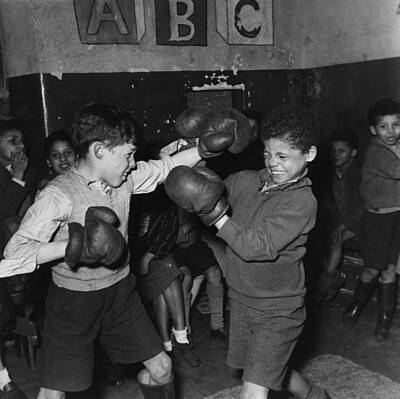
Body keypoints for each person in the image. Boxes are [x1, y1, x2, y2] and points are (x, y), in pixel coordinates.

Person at [0, 102, 249, 399]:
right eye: (128, 154)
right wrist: (71, 247)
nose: (132, 162)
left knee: (162, 369)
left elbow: (164, 167)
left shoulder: (124, 179)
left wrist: (203, 150)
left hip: (120, 293)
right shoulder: (58, 194)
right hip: (73, 303)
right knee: (53, 393)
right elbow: (14, 256)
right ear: (99, 150)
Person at [165, 104, 332, 399]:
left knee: (253, 391)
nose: (273, 163)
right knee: (268, 370)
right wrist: (196, 149)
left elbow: (257, 246)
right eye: (268, 154)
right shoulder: (246, 181)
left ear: (310, 154)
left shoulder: (302, 202)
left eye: (283, 156)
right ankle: (317, 396)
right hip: (242, 301)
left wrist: (216, 216)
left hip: (278, 311)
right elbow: (200, 188)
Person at [342, 98, 400, 341]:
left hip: (397, 218)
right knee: (372, 270)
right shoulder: (376, 152)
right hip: (377, 221)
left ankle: (384, 321)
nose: (391, 131)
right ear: (373, 130)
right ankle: (356, 304)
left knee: (389, 271)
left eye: (396, 125)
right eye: (384, 126)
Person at [0, 118, 34, 399]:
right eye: (12, 140)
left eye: (21, 140)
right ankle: (4, 380)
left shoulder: (30, 171)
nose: (20, 145)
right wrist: (17, 178)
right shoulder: (17, 174)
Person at [314, 129, 363, 302]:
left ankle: (324, 285)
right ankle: (333, 277)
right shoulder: (330, 173)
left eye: (342, 151)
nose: (336, 155)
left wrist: (341, 226)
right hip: (339, 221)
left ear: (354, 152)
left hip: (362, 222)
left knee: (335, 239)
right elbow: (328, 204)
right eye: (333, 151)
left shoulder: (361, 174)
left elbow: (363, 207)